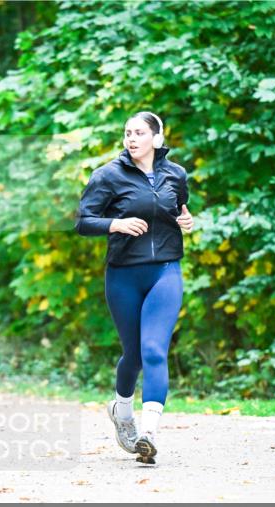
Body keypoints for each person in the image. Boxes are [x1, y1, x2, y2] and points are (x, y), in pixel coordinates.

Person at [76, 112, 195, 465]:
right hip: (123, 275)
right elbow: (83, 222)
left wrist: (186, 220)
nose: (131, 138)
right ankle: (122, 411)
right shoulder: (107, 176)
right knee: (134, 355)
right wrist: (116, 224)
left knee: (155, 350)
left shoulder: (176, 174)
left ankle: (148, 433)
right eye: (128, 133)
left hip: (165, 271)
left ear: (157, 138)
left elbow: (180, 209)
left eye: (140, 133)